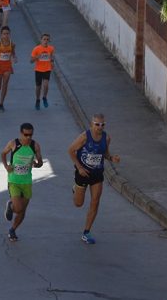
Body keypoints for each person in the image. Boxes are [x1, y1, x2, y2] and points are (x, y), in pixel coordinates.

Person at [67, 113, 120, 244]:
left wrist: (112, 158)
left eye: (102, 124)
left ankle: (86, 232)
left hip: (97, 174)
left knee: (95, 201)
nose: (100, 127)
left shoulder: (106, 138)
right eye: (97, 124)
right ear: (92, 124)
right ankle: (76, 188)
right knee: (78, 204)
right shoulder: (84, 137)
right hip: (83, 173)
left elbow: (105, 154)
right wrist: (79, 167)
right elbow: (70, 150)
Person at [1, 123, 44, 242]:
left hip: (27, 182)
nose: (28, 137)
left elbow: (40, 161)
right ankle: (10, 205)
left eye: (30, 135)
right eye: (26, 135)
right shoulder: (13, 143)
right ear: (21, 133)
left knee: (22, 211)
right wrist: (6, 166)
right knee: (18, 208)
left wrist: (37, 164)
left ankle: (13, 230)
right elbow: (3, 154)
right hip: (14, 180)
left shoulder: (35, 146)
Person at [0, 26, 17, 111]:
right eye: (4, 34)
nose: (6, 35)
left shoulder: (12, 43)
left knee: (5, 84)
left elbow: (13, 53)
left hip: (7, 66)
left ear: (9, 34)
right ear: (1, 35)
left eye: (7, 34)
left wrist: (15, 57)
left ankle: (1, 103)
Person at [30, 33, 55, 110]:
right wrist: (37, 57)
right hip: (38, 70)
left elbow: (51, 57)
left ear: (49, 41)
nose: (46, 41)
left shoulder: (51, 48)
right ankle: (38, 100)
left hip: (47, 69)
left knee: (46, 85)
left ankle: (44, 97)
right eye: (44, 39)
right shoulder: (36, 49)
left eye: (47, 39)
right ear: (41, 40)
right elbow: (31, 61)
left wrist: (52, 63)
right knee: (38, 87)